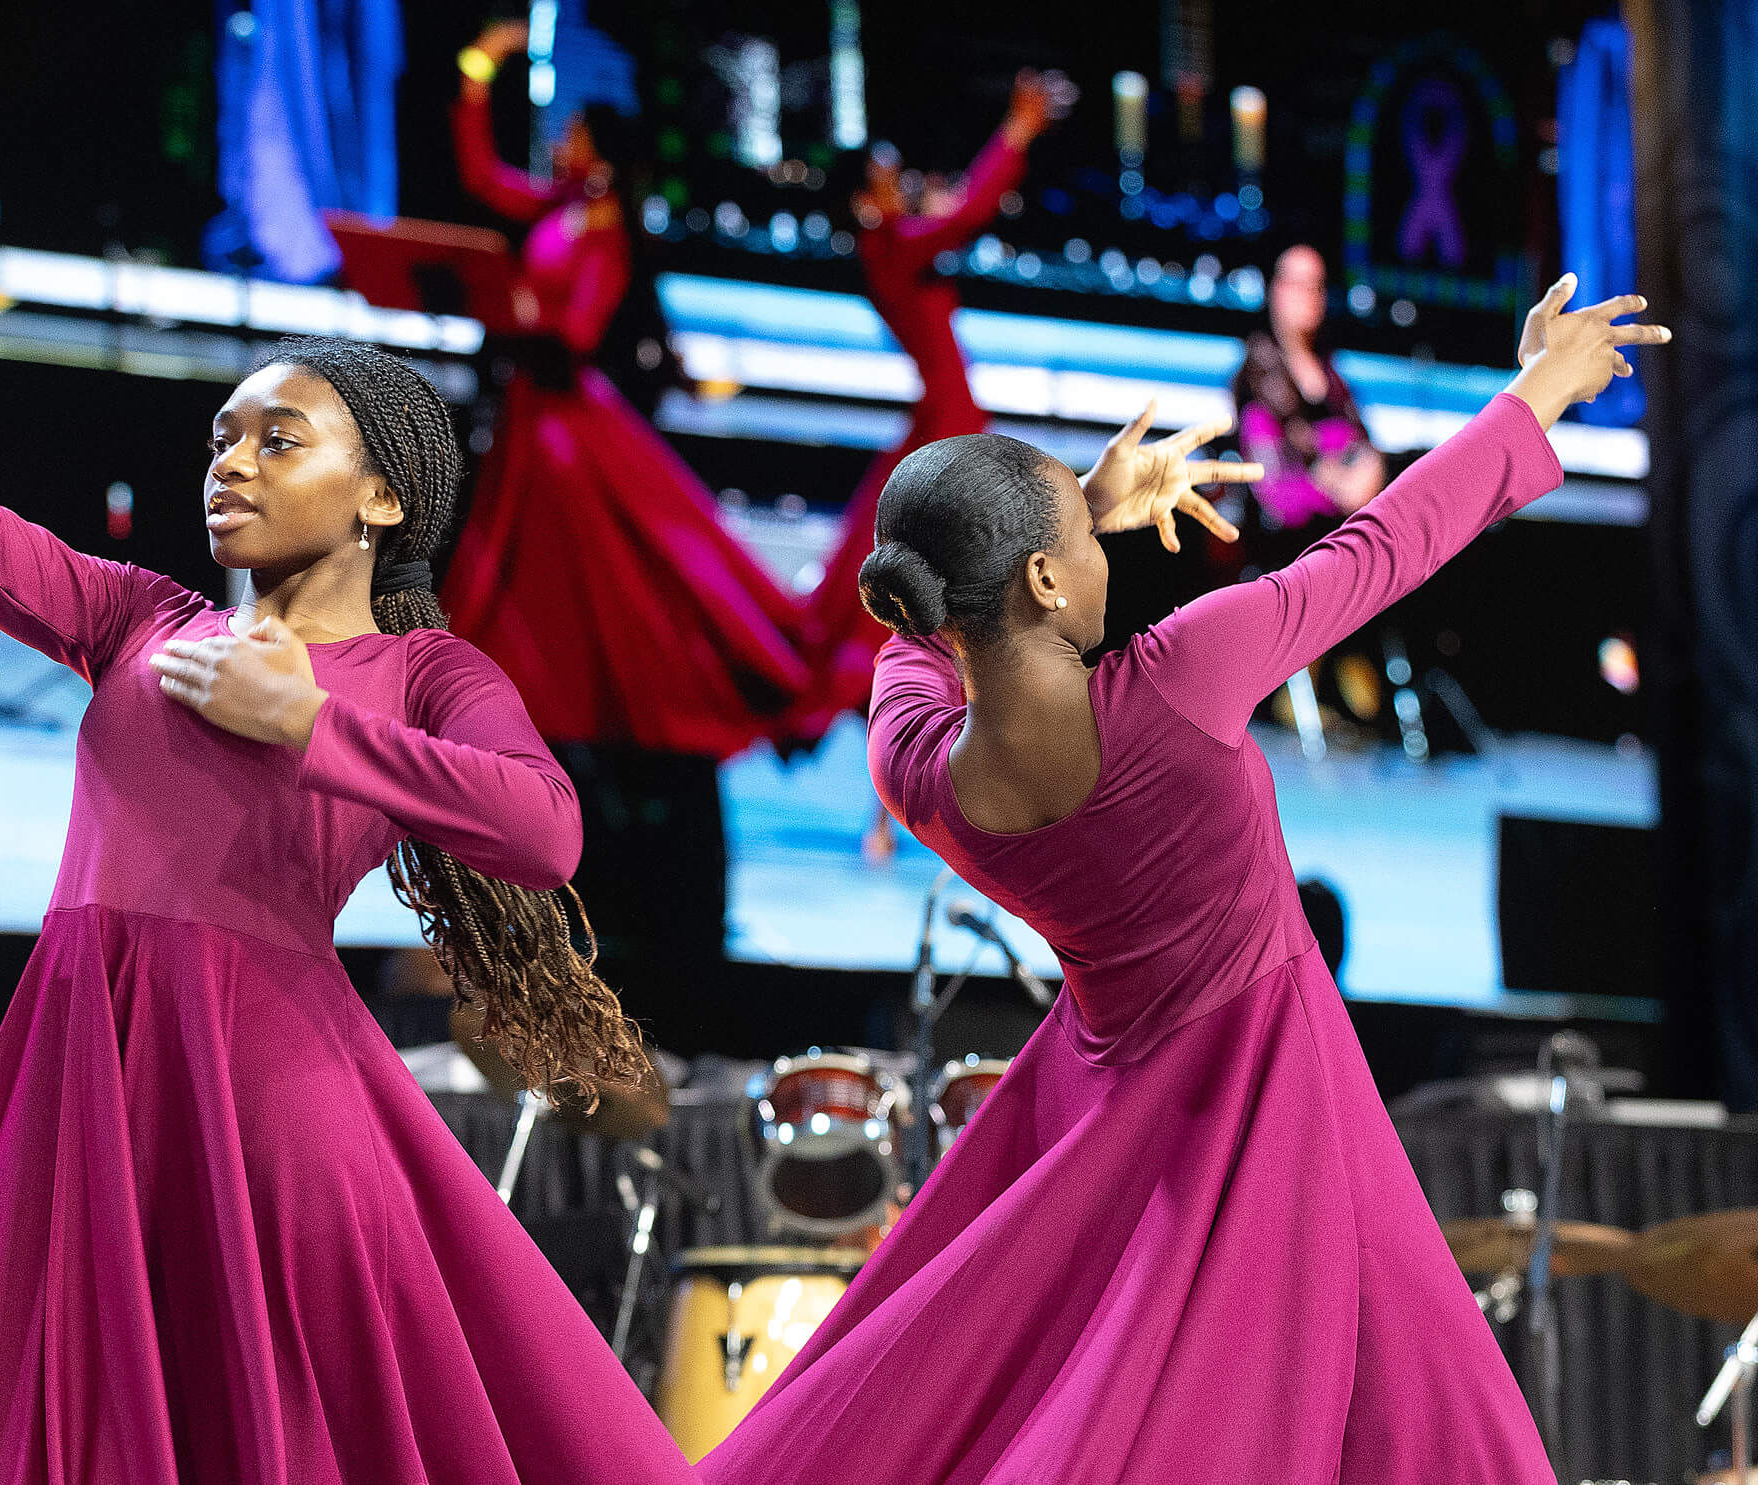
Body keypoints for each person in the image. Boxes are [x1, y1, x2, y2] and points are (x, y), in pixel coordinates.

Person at [0, 50, 696, 1483]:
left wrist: (313, 728)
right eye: (223, 436)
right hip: (85, 1058)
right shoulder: (144, 619)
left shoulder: (425, 673)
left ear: (382, 493)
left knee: (266, 1425)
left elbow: (546, 832)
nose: (234, 461)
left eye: (282, 437)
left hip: (270, 1084)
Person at [702, 276, 1664, 1482]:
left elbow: (923, 638)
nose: (1100, 546)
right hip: (1271, 1084)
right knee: (1414, 1415)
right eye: (1076, 538)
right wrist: (1539, 393)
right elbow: (1382, 548)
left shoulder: (919, 772)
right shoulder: (1178, 679)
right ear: (1046, 582)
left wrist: (1065, 516)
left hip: (1107, 1107)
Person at [442, 20, 811, 761]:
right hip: (531, 411)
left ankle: (549, 700)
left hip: (563, 423)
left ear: (600, 149)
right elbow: (482, 178)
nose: (559, 143)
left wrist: (516, 310)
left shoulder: (603, 229)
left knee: (592, 572)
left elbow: (577, 331)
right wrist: (477, 73)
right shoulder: (563, 207)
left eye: (572, 133)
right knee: (541, 564)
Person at [793, 73, 1065, 858]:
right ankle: (905, 802)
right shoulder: (892, 246)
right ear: (862, 202)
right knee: (934, 620)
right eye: (884, 176)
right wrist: (1015, 129)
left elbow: (956, 217)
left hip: (948, 433)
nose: (900, 179)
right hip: (946, 443)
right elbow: (974, 211)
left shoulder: (896, 242)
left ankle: (908, 805)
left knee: (943, 618)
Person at [1231, 244, 1386, 548]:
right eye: (1299, 284)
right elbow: (1279, 497)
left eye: (1318, 285)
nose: (1311, 295)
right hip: (1281, 560)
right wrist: (1337, 484)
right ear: (1276, 289)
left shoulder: (1335, 380)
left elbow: (1367, 456)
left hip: (1342, 551)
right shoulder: (1257, 378)